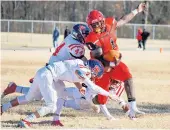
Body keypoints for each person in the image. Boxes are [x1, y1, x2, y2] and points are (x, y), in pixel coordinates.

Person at [1, 59, 115, 128]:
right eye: (95, 74)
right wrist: (109, 94)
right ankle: (26, 120)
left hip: (44, 72)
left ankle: (3, 107)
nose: (94, 76)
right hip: (48, 75)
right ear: (93, 70)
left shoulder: (80, 63)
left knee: (29, 97)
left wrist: (82, 90)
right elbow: (92, 86)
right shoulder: (84, 70)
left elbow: (75, 78)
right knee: (51, 105)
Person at [85, 3, 146, 120]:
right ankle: (90, 100)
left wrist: (136, 11)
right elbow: (99, 59)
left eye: (98, 22)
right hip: (101, 68)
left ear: (102, 21)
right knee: (102, 99)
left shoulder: (110, 23)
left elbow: (123, 20)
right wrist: (113, 62)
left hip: (114, 61)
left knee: (128, 77)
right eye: (94, 24)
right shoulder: (92, 38)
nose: (97, 26)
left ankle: (133, 108)